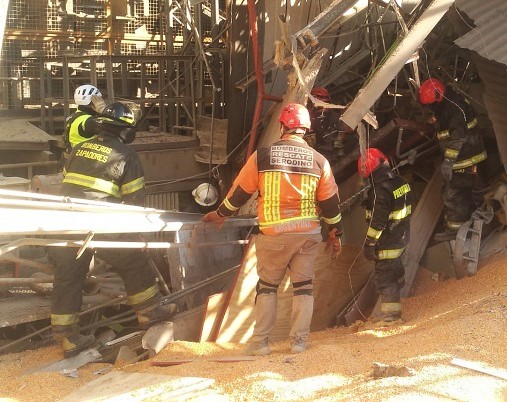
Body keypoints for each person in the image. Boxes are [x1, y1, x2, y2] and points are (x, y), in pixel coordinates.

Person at [202, 103, 343, 355]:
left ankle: (260, 344)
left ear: (281, 127)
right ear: (306, 130)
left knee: (267, 288)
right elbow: (331, 203)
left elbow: (240, 192)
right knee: (304, 287)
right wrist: (336, 234)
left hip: (275, 234)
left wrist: (221, 212)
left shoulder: (263, 156)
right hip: (307, 235)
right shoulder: (320, 162)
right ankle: (299, 342)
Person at [51, 102, 178, 357]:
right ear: (126, 131)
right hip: (102, 222)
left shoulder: (80, 147)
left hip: (67, 219)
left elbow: (66, 180)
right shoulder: (125, 154)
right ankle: (149, 313)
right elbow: (134, 200)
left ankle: (68, 339)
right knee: (133, 260)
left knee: (68, 275)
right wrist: (135, 232)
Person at [418, 78, 487, 240]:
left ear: (438, 98)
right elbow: (445, 130)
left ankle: (456, 232)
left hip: (466, 159)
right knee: (460, 194)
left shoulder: (454, 109)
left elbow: (458, 137)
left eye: (430, 105)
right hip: (464, 159)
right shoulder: (447, 104)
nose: (429, 108)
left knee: (454, 195)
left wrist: (448, 162)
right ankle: (468, 228)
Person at [358, 148, 413, 322]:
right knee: (395, 269)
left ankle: (391, 317)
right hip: (401, 236)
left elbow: (377, 223)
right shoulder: (401, 182)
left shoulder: (380, 192)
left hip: (387, 241)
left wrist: (369, 244)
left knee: (385, 279)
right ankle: (399, 287)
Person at [63, 84, 106, 156]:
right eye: (98, 100)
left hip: (75, 158)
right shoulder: (88, 121)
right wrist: (103, 110)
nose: (101, 101)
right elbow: (114, 128)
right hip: (86, 161)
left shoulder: (75, 116)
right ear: (92, 102)